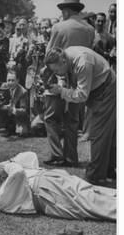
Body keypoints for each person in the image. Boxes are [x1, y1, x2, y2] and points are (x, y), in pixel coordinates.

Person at [45, 46, 116, 184]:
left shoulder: (83, 63)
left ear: (64, 62)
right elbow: (68, 79)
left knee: (98, 133)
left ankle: (95, 176)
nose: (56, 74)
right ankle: (109, 169)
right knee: (109, 132)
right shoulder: (66, 56)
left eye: (56, 70)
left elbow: (82, 95)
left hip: (106, 89)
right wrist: (61, 85)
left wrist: (61, 91)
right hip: (98, 88)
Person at [0, 152, 116, 221]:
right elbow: (18, 172)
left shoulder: (7, 181)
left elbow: (31, 157)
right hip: (48, 193)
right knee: (90, 202)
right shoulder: (1, 200)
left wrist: (8, 161)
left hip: (53, 179)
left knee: (93, 191)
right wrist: (6, 166)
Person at [43, 0, 94, 167]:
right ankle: (71, 157)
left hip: (59, 74)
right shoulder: (89, 29)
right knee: (72, 120)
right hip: (79, 75)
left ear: (65, 10)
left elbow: (49, 54)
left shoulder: (59, 27)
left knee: (51, 117)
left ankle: (57, 154)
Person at [0, 70, 29, 136]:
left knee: (23, 133)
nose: (10, 82)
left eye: (12, 80)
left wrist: (13, 109)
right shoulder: (3, 87)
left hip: (19, 117)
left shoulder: (23, 92)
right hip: (8, 114)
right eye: (8, 80)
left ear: (17, 80)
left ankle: (18, 126)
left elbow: (24, 110)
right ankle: (6, 126)